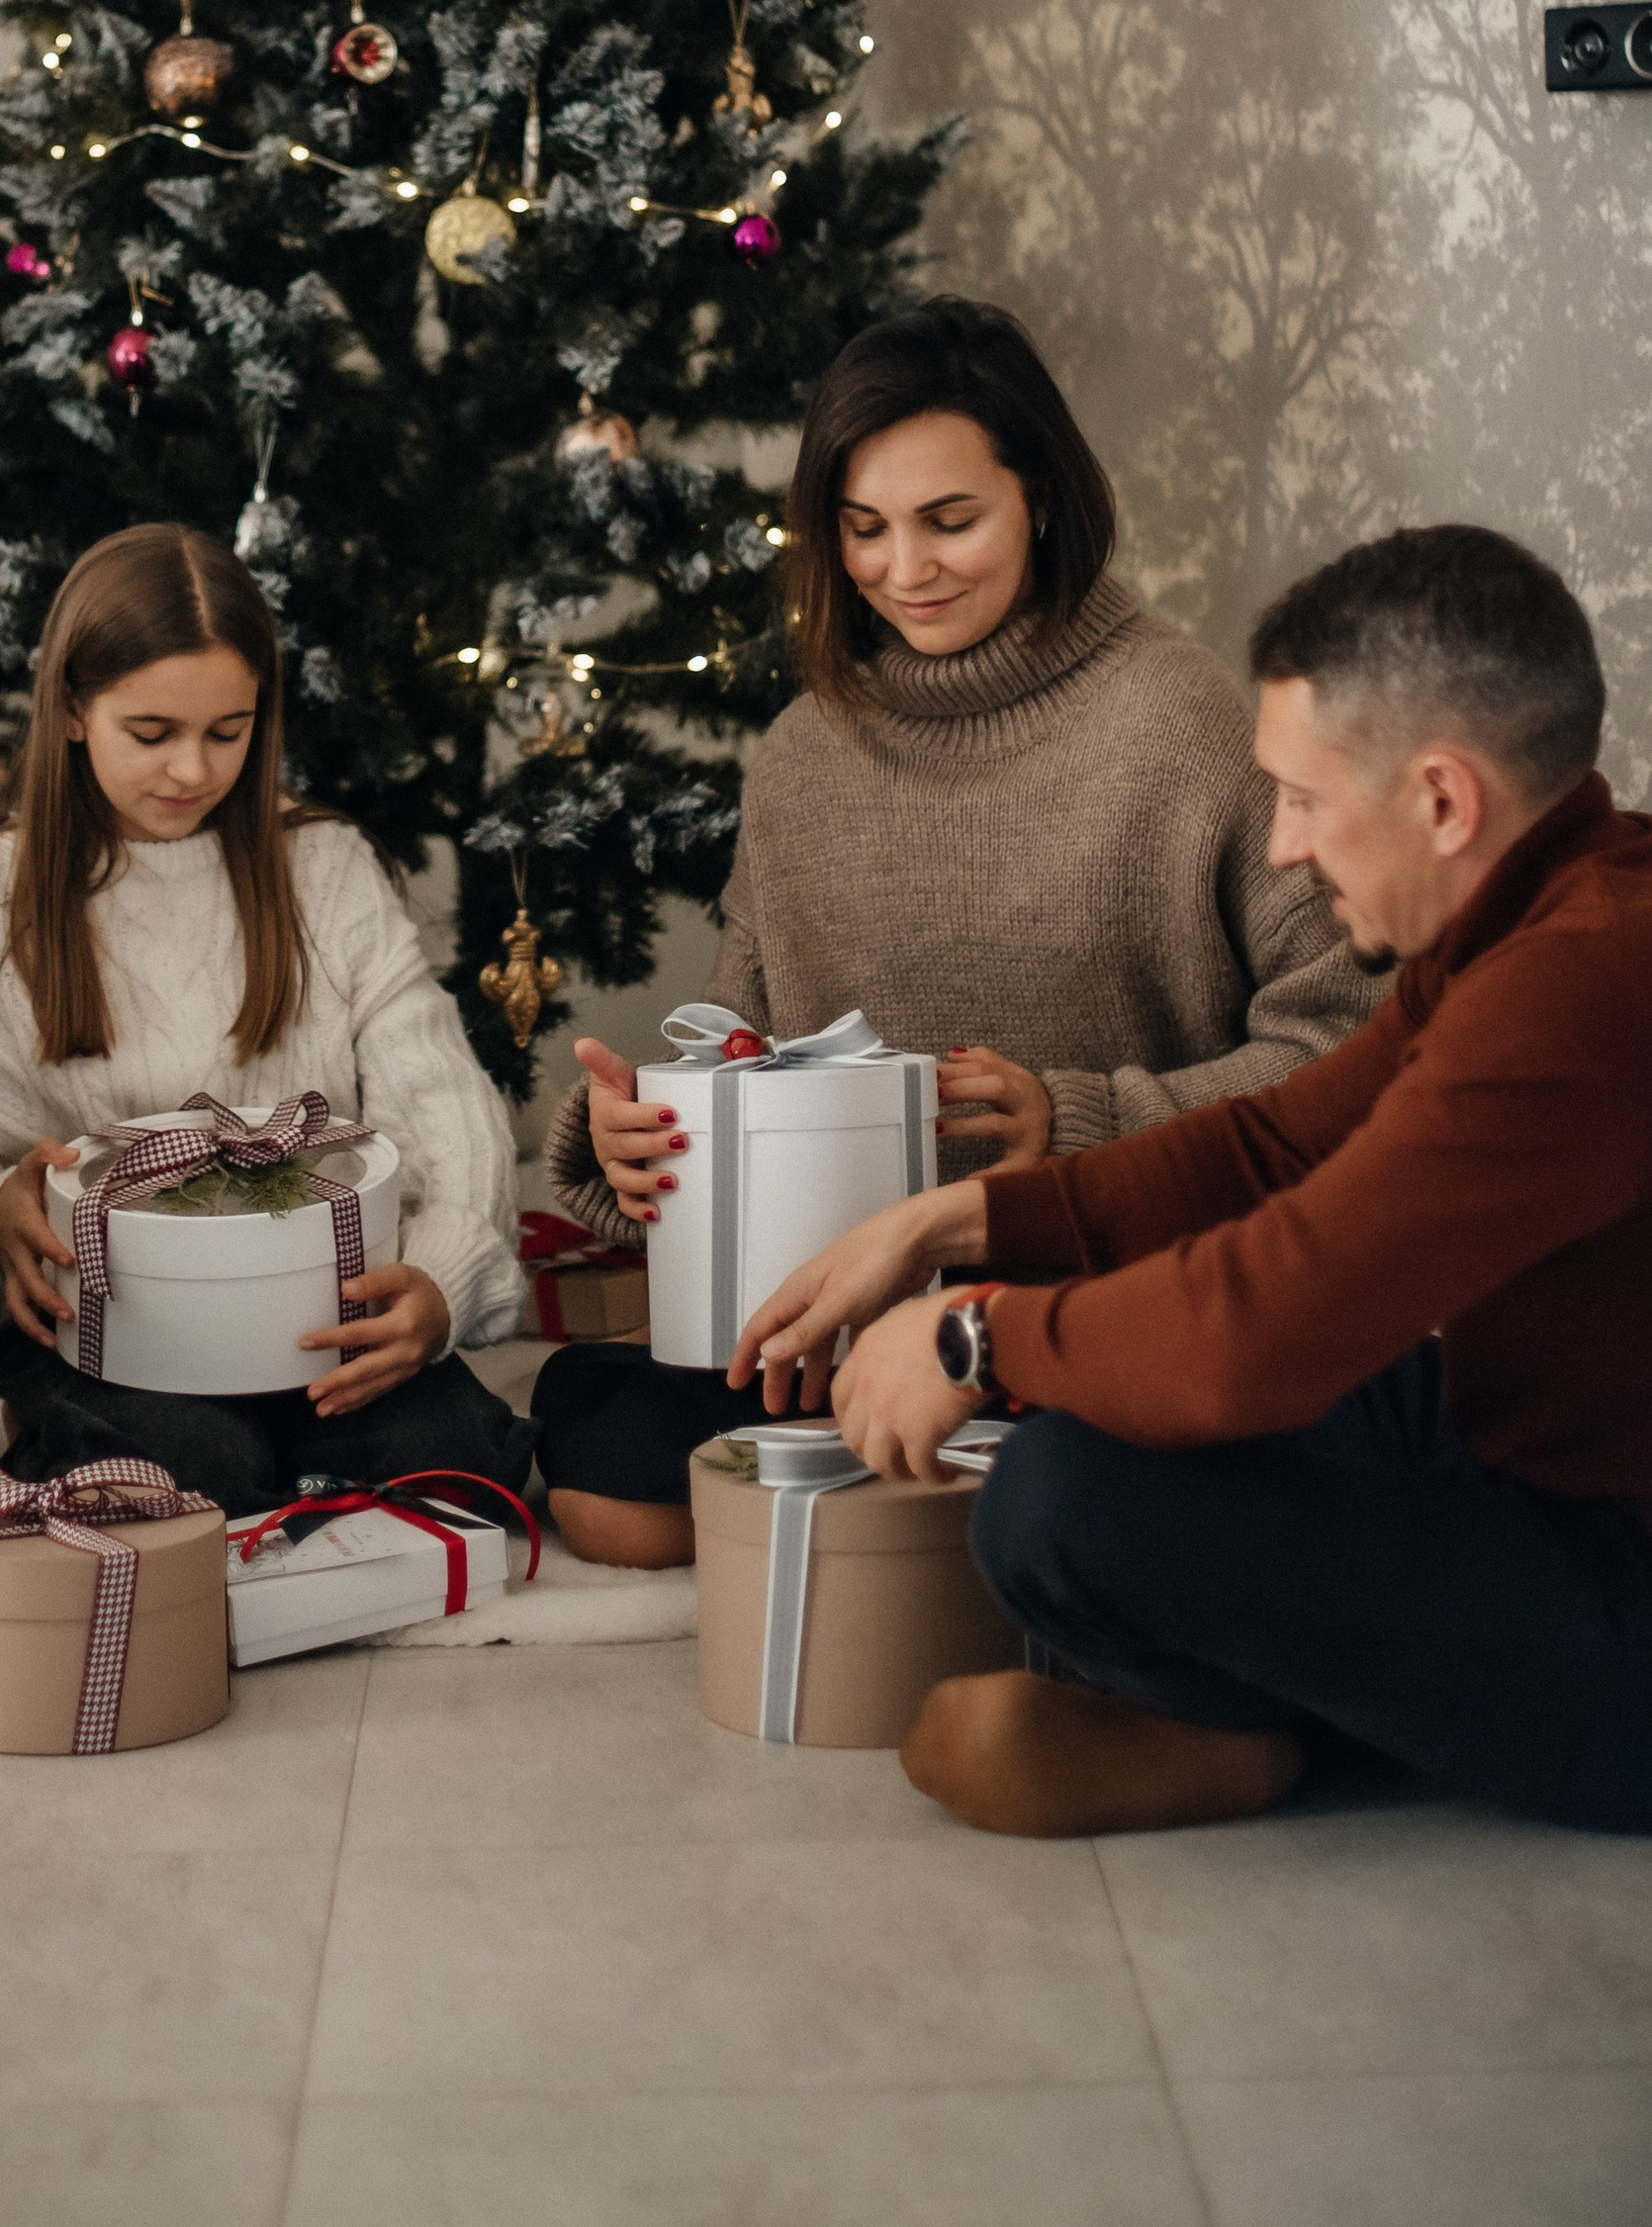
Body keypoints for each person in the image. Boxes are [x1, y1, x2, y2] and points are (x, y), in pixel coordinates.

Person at [747, 524, 1652, 1841]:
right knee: (1106, 1416)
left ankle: (1259, 1735)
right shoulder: (1536, 910)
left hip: (1619, 1573)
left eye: (1302, 796)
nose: (1282, 845)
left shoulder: (1578, 983)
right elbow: (1272, 1146)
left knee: (1061, 1501)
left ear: (1442, 800)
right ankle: (1261, 1717)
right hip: (1520, 1434)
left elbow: (1262, 1324)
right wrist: (954, 1219)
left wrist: (972, 1336)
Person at [534, 299, 1377, 1563]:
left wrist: (1082, 1123)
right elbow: (743, 1048)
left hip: (1103, 1292)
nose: (903, 569)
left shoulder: (1186, 725)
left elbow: (1347, 1054)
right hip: (838, 1314)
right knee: (609, 1495)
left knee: (1055, 1509)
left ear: (1039, 498)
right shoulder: (802, 755)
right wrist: (637, 1135)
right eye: (863, 527)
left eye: (948, 520)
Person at [0, 521, 531, 1517]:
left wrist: (442, 1279)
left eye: (227, 731)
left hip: (314, 1303)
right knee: (191, 1480)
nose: (191, 770)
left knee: (457, 1464)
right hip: (104, 1316)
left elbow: (442, 1096)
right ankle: (89, 1436)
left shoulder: (324, 867)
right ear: (72, 710)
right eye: (151, 733)